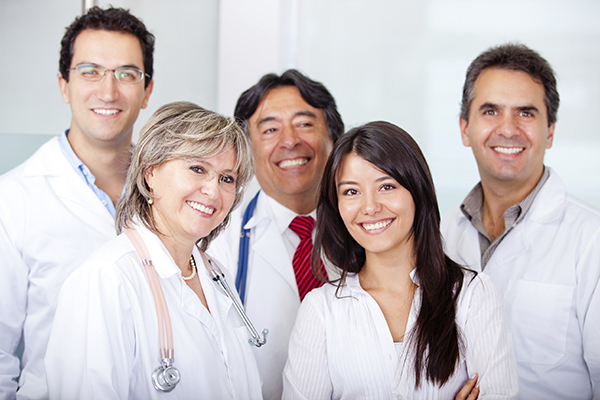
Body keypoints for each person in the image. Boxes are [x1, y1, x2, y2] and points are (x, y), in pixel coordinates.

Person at [283, 121, 518, 399]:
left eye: (386, 186)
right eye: (351, 192)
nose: (370, 207)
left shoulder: (472, 294)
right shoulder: (321, 310)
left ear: (417, 191)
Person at [44, 101, 262, 399]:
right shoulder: (106, 280)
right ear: (150, 173)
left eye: (227, 178)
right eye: (197, 168)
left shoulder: (215, 274)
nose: (213, 191)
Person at [0, 7, 154, 400]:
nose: (108, 91)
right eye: (90, 71)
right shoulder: (14, 198)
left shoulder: (175, 191)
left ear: (147, 90)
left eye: (126, 74)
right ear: (64, 85)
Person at [441, 43, 600, 399]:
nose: (508, 129)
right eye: (491, 111)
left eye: (526, 113)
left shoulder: (592, 240)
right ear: (465, 129)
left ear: (551, 131)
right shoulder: (441, 233)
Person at [207, 69, 344, 399]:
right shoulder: (215, 245)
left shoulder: (372, 231)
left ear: (334, 138)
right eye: (270, 129)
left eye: (305, 123)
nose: (289, 140)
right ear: (246, 150)